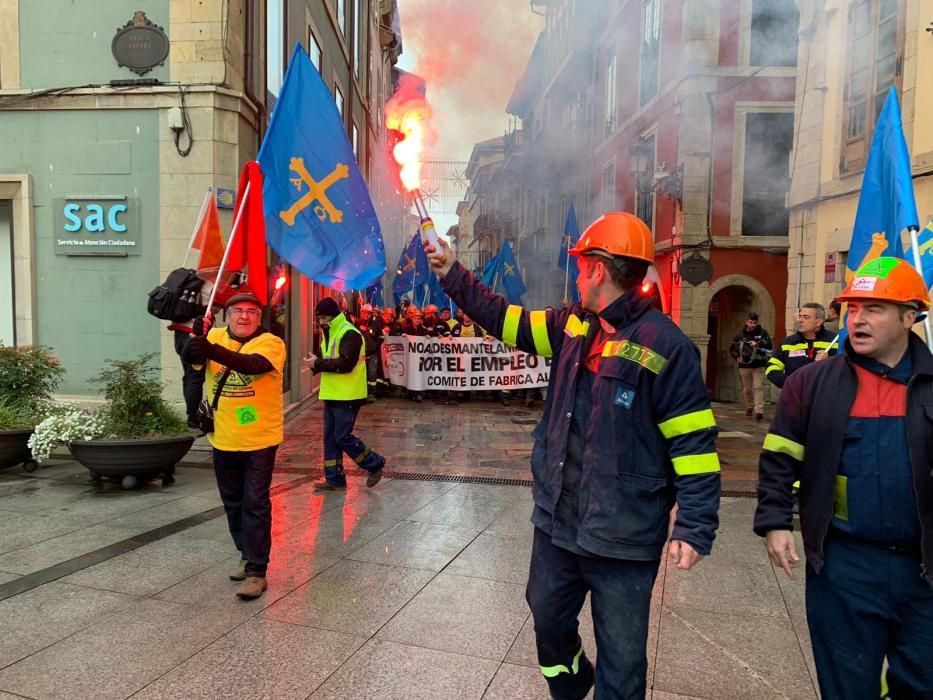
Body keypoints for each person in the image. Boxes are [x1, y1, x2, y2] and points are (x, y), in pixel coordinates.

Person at [426, 212, 721, 699]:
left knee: (623, 660)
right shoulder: (571, 325)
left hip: (623, 535)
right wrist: (451, 272)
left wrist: (694, 524)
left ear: (599, 270)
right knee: (546, 614)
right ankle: (573, 684)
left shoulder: (667, 347)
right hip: (559, 521)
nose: (578, 274)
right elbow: (505, 319)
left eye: (583, 265)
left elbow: (693, 444)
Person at [755, 257, 933, 699]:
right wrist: (776, 521)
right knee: (847, 688)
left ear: (910, 317)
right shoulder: (813, 384)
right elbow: (780, 455)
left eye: (874, 308)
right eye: (852, 309)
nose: (858, 319)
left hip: (925, 570)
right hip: (844, 566)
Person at [182, 290, 286, 600]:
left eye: (252, 311)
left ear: (259, 317)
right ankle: (245, 551)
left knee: (255, 501)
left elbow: (251, 364)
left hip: (260, 438)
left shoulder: (271, 343)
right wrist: (192, 341)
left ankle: (257, 570)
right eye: (238, 311)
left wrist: (211, 349)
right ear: (228, 316)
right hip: (224, 436)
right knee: (233, 502)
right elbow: (193, 365)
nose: (244, 316)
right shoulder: (213, 335)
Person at [305, 297, 386, 490]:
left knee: (342, 437)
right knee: (331, 438)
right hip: (332, 393)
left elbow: (346, 364)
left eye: (324, 318)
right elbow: (329, 358)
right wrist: (316, 361)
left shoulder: (350, 333)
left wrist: (317, 363)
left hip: (349, 394)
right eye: (319, 319)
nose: (321, 322)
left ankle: (374, 463)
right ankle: (334, 479)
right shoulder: (330, 331)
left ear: (333, 316)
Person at [765, 303, 836, 388]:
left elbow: (844, 372)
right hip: (795, 397)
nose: (800, 320)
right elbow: (771, 368)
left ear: (819, 322)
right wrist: (790, 384)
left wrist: (828, 362)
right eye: (800, 316)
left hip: (823, 396)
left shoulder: (834, 342)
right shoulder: (788, 343)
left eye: (806, 317)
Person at [729, 312, 772, 420]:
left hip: (758, 364)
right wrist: (736, 357)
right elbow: (732, 348)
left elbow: (769, 345)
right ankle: (749, 406)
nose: (752, 325)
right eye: (750, 322)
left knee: (758, 387)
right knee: (747, 389)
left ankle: (759, 411)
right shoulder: (740, 334)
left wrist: (758, 343)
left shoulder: (763, 333)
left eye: (754, 323)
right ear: (746, 322)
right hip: (744, 365)